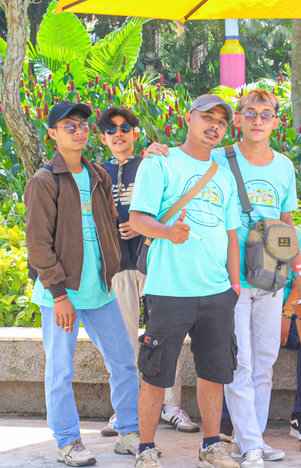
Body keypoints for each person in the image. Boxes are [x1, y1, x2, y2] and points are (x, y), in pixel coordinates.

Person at [25, 101, 140, 466]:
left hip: (100, 291)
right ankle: (67, 440)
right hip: (62, 295)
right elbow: (38, 244)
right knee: (61, 369)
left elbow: (108, 225)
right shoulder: (44, 181)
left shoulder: (98, 176)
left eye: (83, 125)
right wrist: (59, 295)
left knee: (124, 361)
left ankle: (129, 431)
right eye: (69, 125)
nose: (79, 131)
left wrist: (113, 269)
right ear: (53, 134)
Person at [128, 94, 241, 468]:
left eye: (221, 121)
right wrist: (167, 232)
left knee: (214, 373)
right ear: (189, 118)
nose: (214, 126)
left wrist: (234, 286)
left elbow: (231, 235)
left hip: (217, 292)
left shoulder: (224, 174)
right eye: (208, 117)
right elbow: (138, 219)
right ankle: (146, 449)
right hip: (169, 290)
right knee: (155, 373)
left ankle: (211, 445)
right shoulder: (160, 162)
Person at [211, 89, 301, 468]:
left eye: (265, 114)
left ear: (276, 121)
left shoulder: (284, 166)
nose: (257, 120)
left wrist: (300, 274)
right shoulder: (219, 158)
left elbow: (286, 224)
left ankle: (250, 441)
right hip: (232, 279)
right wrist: (158, 152)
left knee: (264, 363)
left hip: (272, 276)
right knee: (240, 363)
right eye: (250, 113)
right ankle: (251, 445)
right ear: (238, 118)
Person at [97, 107, 199, 437]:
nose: (118, 134)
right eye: (111, 130)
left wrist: (141, 225)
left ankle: (171, 407)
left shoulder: (152, 164)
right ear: (103, 138)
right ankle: (125, 411)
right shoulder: (97, 173)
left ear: (136, 133)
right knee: (121, 342)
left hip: (155, 263)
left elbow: (170, 201)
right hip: (117, 268)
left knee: (164, 336)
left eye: (125, 128)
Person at [219, 226, 301, 443]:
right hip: (240, 296)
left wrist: (287, 314)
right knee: (239, 357)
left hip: (281, 309)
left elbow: (300, 281)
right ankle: (230, 421)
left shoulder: (295, 234)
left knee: (299, 345)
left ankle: (298, 415)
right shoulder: (233, 227)